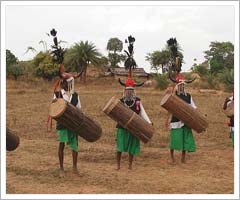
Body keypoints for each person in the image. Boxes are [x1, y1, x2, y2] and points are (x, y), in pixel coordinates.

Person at [116, 79, 152, 170]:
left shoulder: (137, 101)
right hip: (122, 127)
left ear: (133, 91)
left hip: (134, 127)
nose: (129, 92)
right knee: (120, 146)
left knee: (132, 147)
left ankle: (130, 165)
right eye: (127, 90)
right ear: (125, 90)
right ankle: (118, 165)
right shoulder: (120, 101)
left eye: (131, 90)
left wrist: (149, 122)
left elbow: (142, 112)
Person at [53, 77, 81, 178]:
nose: (67, 85)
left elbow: (79, 110)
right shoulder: (57, 95)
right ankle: (61, 169)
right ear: (62, 83)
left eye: (69, 83)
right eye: (65, 83)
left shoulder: (75, 95)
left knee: (75, 146)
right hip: (62, 124)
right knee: (61, 145)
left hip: (73, 125)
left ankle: (75, 168)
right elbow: (54, 110)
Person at [165, 79, 197, 164]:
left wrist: (198, 116)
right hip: (176, 120)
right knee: (174, 139)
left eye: (183, 85)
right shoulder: (174, 95)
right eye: (180, 85)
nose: (182, 87)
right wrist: (167, 120)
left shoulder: (188, 96)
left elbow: (193, 107)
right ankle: (172, 157)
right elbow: (169, 107)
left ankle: (183, 158)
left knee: (184, 140)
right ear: (177, 86)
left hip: (186, 121)